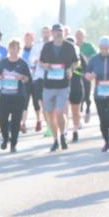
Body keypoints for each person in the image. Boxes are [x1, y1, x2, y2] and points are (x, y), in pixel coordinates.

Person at [38, 23, 79, 152]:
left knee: (60, 112)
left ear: (63, 33)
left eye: (60, 31)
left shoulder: (69, 46)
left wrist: (71, 69)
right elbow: (40, 62)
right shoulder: (47, 46)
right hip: (48, 85)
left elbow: (77, 62)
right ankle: (55, 140)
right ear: (52, 33)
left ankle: (63, 135)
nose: (57, 33)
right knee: (49, 114)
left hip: (63, 85)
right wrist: (44, 66)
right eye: (55, 31)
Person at [0, 38, 31, 152]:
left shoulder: (23, 63)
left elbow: (28, 79)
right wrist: (0, 77)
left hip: (18, 96)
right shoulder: (3, 62)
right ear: (8, 49)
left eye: (15, 48)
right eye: (11, 47)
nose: (13, 50)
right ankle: (5, 139)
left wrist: (21, 78)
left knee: (16, 121)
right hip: (4, 96)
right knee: (2, 119)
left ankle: (13, 144)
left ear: (19, 49)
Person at [65, 35, 87, 142]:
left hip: (76, 85)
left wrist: (75, 70)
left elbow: (86, 70)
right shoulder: (61, 56)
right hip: (64, 86)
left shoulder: (80, 56)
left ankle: (75, 130)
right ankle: (64, 131)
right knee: (64, 110)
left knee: (75, 110)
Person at [75, 28, 95, 122]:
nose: (79, 37)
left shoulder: (88, 46)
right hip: (77, 74)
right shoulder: (73, 46)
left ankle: (87, 108)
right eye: (77, 35)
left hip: (87, 72)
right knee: (79, 94)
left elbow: (95, 56)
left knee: (87, 94)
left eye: (81, 35)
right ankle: (80, 110)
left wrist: (86, 58)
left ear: (84, 36)